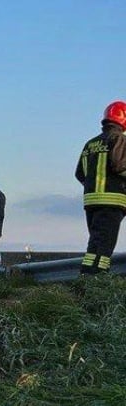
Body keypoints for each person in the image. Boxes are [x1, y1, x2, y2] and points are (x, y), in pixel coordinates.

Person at [75, 101, 126, 275]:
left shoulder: (90, 144)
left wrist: (93, 186)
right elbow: (120, 166)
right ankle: (99, 280)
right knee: (105, 247)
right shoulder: (119, 139)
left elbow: (80, 173)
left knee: (95, 242)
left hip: (91, 202)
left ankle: (86, 277)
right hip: (112, 201)